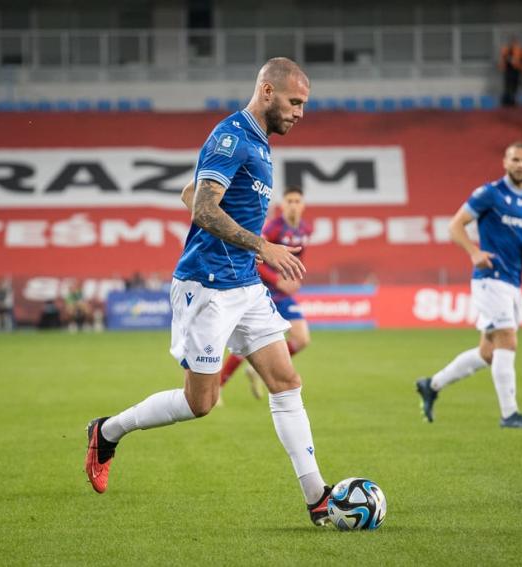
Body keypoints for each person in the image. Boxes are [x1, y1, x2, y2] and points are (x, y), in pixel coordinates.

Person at [84, 58, 333, 526]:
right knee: (202, 403)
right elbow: (203, 206)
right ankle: (107, 431)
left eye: (304, 104)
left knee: (286, 381)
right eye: (295, 102)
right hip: (208, 286)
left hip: (244, 284)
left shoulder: (258, 142)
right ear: (266, 92)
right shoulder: (232, 135)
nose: (301, 112)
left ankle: (317, 499)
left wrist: (235, 237)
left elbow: (193, 194)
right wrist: (263, 245)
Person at [415, 142, 522, 429]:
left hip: (513, 281)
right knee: (507, 339)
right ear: (505, 162)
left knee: (488, 353)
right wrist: (474, 253)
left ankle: (432, 385)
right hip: (490, 280)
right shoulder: (490, 193)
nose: (520, 165)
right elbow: (455, 226)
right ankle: (510, 414)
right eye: (515, 160)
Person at [218, 185, 312, 400]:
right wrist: (278, 279)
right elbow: (254, 256)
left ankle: (258, 368)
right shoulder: (273, 228)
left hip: (283, 293)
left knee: (302, 338)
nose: (294, 206)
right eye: (290, 201)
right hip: (262, 291)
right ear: (282, 205)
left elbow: (298, 257)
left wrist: (294, 276)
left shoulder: (305, 229)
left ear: (303, 205)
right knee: (247, 345)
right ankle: (218, 385)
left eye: (297, 201)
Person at [499, 36, 522, 106]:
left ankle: (514, 101)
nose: (513, 43)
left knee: (515, 87)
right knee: (508, 86)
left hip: (516, 71)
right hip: (508, 71)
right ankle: (507, 101)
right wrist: (509, 60)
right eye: (512, 42)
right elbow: (503, 58)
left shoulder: (520, 50)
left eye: (515, 42)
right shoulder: (506, 50)